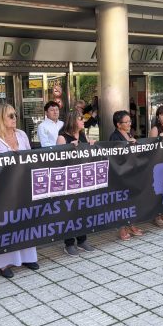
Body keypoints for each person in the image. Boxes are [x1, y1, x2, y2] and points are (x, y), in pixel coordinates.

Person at [0, 104, 39, 278]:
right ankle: (4, 263)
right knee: (7, 224)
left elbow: (30, 157)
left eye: (15, 115)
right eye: (10, 116)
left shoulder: (21, 134)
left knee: (26, 219)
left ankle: (28, 257)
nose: (14, 118)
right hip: (3, 189)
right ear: (0, 118)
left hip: (23, 185)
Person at [56, 110, 96, 256]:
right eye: (80, 118)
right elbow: (57, 160)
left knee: (82, 210)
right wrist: (68, 148)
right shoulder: (62, 137)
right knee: (69, 212)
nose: (83, 121)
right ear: (72, 120)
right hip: (68, 180)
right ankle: (68, 243)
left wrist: (90, 145)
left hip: (83, 179)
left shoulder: (83, 135)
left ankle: (82, 239)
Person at [109, 110, 144, 241]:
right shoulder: (114, 137)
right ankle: (121, 227)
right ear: (118, 124)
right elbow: (116, 155)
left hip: (130, 172)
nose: (129, 123)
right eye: (126, 122)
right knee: (122, 201)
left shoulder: (129, 134)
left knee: (131, 199)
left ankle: (131, 224)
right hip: (120, 173)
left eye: (130, 121)